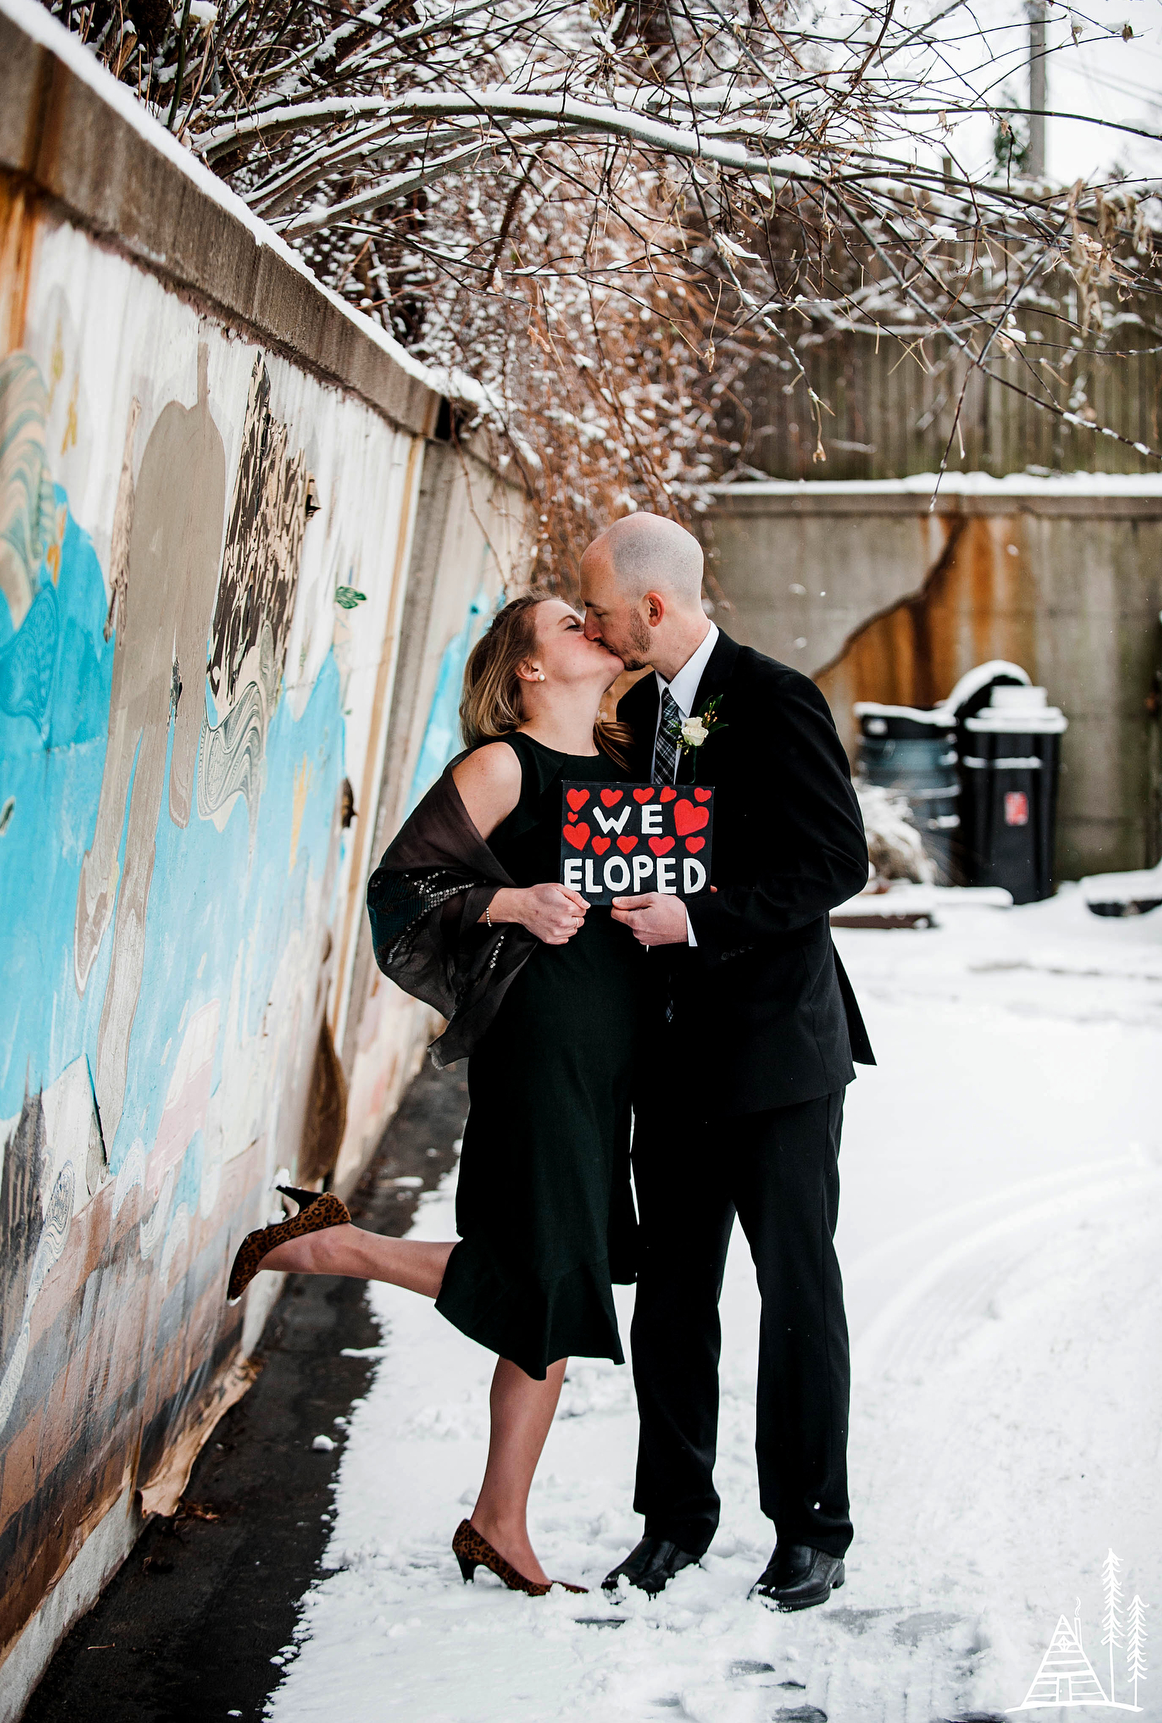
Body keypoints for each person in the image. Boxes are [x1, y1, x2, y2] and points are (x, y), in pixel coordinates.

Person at [225, 595, 643, 1598]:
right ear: (529, 669)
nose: (590, 624)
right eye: (567, 621)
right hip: (539, 1038)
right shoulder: (504, 764)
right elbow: (399, 886)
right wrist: (508, 898)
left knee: (556, 1279)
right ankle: (334, 1249)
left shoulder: (633, 764)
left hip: (613, 1049)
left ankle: (499, 1519)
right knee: (547, 1277)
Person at [579, 513, 874, 1613]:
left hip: (781, 1057)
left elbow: (833, 863)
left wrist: (695, 919)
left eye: (605, 613)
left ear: (655, 606)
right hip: (672, 1059)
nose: (600, 634)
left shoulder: (777, 695)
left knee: (795, 1287)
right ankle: (675, 1519)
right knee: (672, 1296)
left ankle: (812, 1527)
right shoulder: (642, 715)